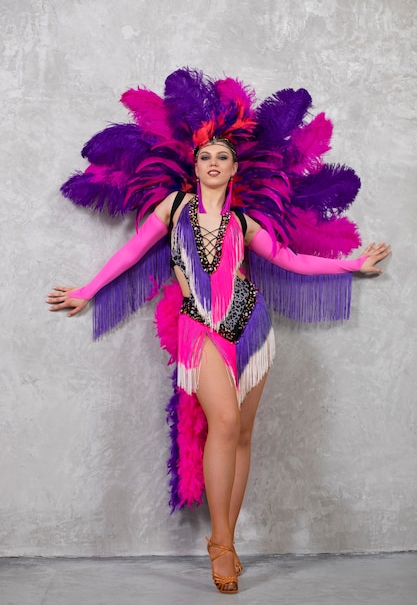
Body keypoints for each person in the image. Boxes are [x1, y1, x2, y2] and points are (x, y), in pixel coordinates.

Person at [46, 70, 390, 594]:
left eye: (222, 158)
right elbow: (130, 252)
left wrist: (351, 266)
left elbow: (294, 262)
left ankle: (228, 538)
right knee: (223, 423)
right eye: (206, 156)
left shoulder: (246, 222)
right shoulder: (174, 208)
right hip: (200, 329)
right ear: (195, 164)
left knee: (243, 433)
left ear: (233, 169)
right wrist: (87, 291)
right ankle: (222, 543)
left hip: (251, 328)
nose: (213, 163)